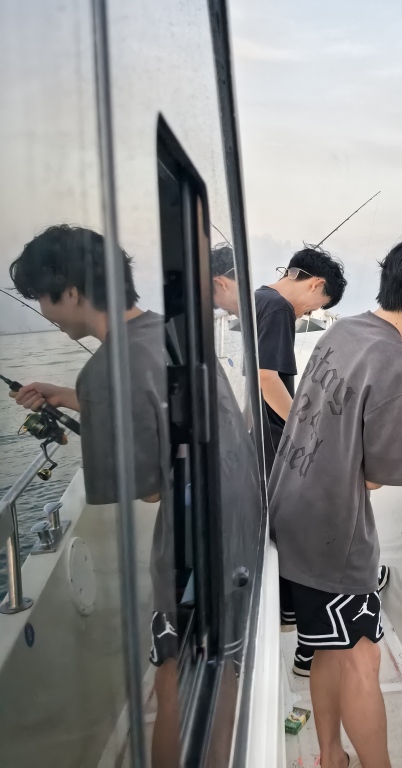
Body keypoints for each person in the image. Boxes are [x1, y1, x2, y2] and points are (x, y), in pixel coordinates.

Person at [268, 235, 402, 768]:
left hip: (289, 508)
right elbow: (372, 480)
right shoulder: (400, 366)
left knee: (325, 647)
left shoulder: (345, 332)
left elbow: (356, 398)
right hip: (334, 535)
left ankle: (329, 756)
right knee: (363, 660)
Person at [7, 224, 177, 767]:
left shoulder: (105, 370)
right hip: (226, 533)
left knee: (173, 681)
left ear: (73, 293)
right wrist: (74, 397)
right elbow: (151, 401)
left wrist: (96, 402)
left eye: (43, 298)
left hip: (187, 554)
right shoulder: (165, 333)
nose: (44, 313)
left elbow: (149, 491)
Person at [254, 247, 346, 474]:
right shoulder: (279, 307)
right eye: (319, 305)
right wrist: (302, 430)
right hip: (270, 442)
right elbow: (266, 377)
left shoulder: (258, 298)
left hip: (255, 437)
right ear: (316, 284)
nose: (310, 312)